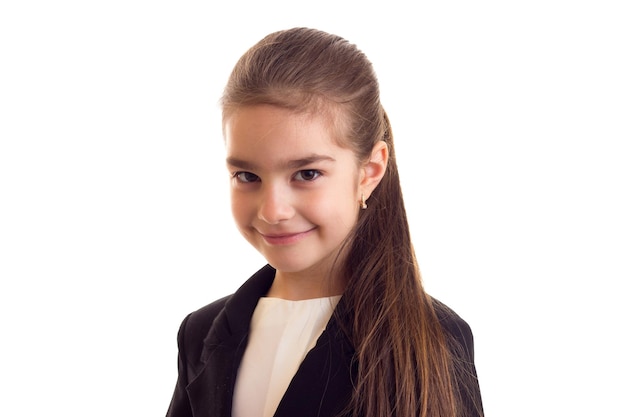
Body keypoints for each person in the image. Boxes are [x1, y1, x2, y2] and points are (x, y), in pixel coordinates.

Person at [166, 27, 483, 417]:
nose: (273, 210)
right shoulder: (200, 333)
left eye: (307, 174)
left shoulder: (433, 340)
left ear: (369, 171)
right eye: (247, 177)